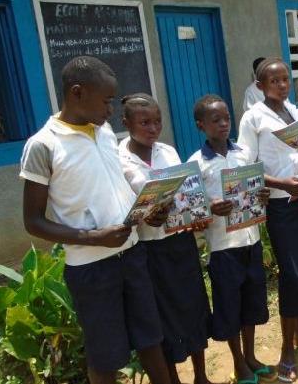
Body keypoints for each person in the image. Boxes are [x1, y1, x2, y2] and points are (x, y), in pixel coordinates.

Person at [20, 57, 172, 384]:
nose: (110, 110)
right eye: (105, 101)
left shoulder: (104, 134)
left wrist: (147, 211)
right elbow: (33, 221)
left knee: (151, 339)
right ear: (77, 92)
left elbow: (112, 189)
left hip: (132, 254)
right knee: (105, 358)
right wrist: (94, 238)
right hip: (91, 269)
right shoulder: (43, 146)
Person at [238, 57, 298, 383]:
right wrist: (281, 183)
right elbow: (246, 167)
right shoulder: (253, 118)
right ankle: (286, 350)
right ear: (260, 85)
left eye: (285, 79)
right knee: (291, 275)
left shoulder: (294, 112)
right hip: (280, 207)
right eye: (274, 81)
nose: (281, 85)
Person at [118, 94, 214, 384]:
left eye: (157, 121)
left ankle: (201, 376)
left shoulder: (168, 152)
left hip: (180, 242)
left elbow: (185, 191)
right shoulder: (118, 160)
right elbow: (123, 207)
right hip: (150, 249)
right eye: (144, 122)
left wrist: (196, 212)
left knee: (193, 305)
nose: (153, 128)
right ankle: (173, 378)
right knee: (164, 314)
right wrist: (143, 217)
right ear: (126, 123)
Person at [188, 94, 277, 384]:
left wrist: (261, 195)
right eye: (215, 120)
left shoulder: (243, 154)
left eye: (226, 118)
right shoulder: (197, 164)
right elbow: (190, 208)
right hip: (223, 248)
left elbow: (255, 189)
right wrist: (210, 207)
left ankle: (250, 355)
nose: (223, 124)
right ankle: (238, 363)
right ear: (201, 125)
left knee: (252, 303)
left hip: (250, 240)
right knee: (230, 308)